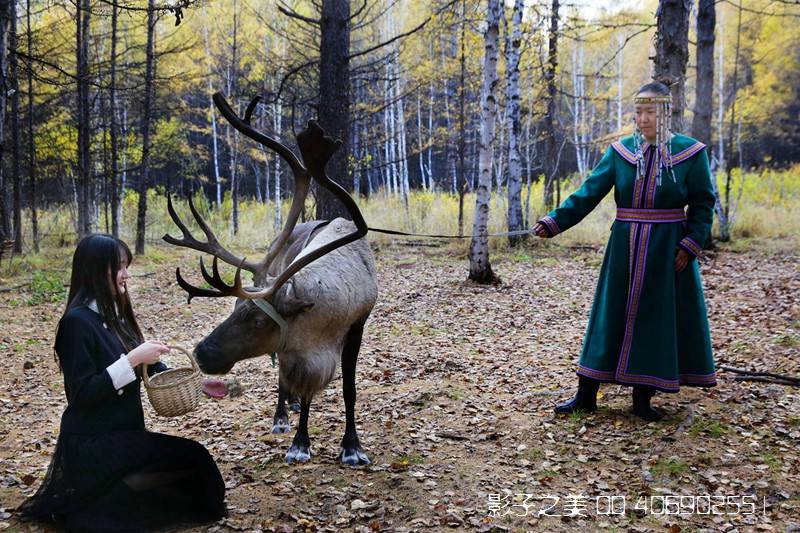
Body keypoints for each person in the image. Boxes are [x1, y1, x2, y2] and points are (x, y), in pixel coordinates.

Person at [16, 234, 228, 532]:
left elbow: (153, 369)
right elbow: (82, 393)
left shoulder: (115, 314)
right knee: (194, 460)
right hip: (94, 442)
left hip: (125, 434)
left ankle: (118, 493)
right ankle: (105, 495)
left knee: (196, 462)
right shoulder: (76, 323)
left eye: (126, 265)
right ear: (95, 270)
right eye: (119, 266)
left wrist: (197, 383)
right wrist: (131, 360)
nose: (126, 274)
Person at [534, 81, 717, 422]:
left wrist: (690, 244)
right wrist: (554, 222)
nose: (643, 119)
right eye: (638, 112)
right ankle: (585, 395)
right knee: (608, 315)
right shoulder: (620, 153)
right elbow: (588, 194)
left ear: (666, 112)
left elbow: (705, 204)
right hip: (624, 248)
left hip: (666, 252)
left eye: (650, 112)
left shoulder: (691, 154)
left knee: (653, 320)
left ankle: (642, 399)